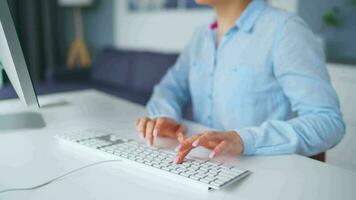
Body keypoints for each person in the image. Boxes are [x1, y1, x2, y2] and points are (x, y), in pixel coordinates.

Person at [135, 0, 345, 164]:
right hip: (201, 166)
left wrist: (242, 139)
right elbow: (169, 88)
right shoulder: (201, 35)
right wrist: (164, 116)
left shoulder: (285, 29)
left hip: (265, 176)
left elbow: (327, 121)